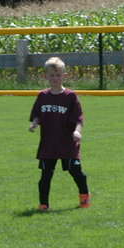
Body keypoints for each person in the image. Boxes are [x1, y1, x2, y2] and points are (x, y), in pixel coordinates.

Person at [28, 57, 90, 210]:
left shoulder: (70, 96)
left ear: (64, 76)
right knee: (45, 176)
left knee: (77, 172)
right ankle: (43, 205)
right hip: (48, 144)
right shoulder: (42, 96)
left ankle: (84, 199)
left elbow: (78, 119)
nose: (55, 78)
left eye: (58, 75)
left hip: (68, 143)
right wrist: (34, 123)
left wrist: (77, 131)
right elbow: (37, 114)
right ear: (45, 76)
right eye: (51, 75)